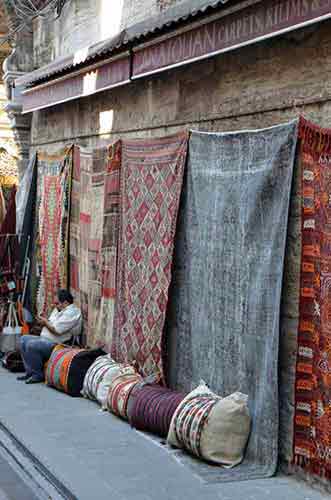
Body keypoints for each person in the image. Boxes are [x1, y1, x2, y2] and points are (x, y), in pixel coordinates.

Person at [17, 289, 82, 384]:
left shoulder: (72, 312)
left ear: (66, 302)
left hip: (58, 345)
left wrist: (45, 322)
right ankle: (30, 372)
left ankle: (37, 374)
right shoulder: (59, 309)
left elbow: (57, 331)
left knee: (32, 344)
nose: (55, 305)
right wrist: (43, 322)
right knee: (23, 339)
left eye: (57, 303)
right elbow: (51, 323)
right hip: (46, 339)